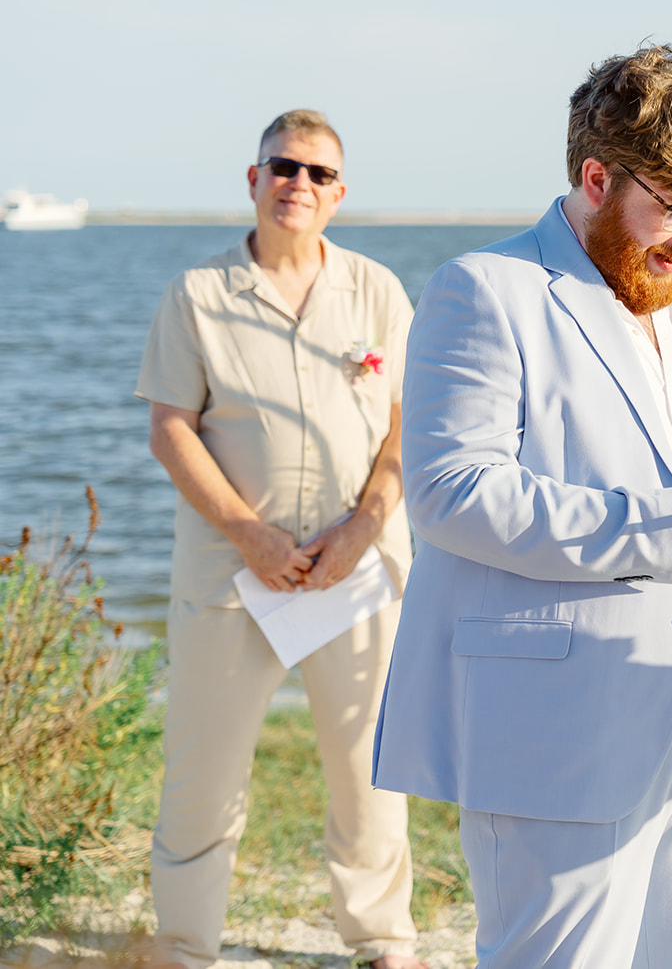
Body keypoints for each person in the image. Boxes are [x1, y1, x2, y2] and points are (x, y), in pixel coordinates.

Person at [371, 45, 672, 969]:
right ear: (594, 176)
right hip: (558, 714)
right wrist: (661, 527)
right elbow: (453, 492)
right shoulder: (485, 290)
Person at [137, 110, 425, 969]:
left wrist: (364, 526)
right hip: (233, 576)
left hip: (357, 570)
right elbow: (170, 429)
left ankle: (382, 940)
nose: (299, 182)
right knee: (201, 776)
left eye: (318, 173)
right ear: (254, 179)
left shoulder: (378, 291)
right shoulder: (197, 294)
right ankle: (185, 946)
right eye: (283, 166)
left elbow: (408, 429)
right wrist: (250, 534)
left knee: (370, 771)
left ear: (339, 194)